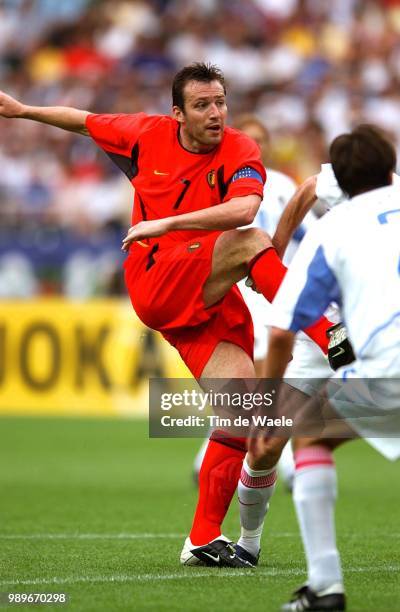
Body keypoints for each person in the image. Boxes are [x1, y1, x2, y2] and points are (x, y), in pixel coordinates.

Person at [0, 62, 333, 568]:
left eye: (220, 102)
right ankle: (332, 335)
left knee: (244, 413)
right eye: (202, 105)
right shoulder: (144, 135)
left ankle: (201, 540)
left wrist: (167, 221)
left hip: (203, 297)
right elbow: (82, 119)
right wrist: (23, 111)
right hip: (156, 279)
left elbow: (244, 207)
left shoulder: (242, 149)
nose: (216, 113)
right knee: (252, 244)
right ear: (177, 113)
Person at [249, 124, 400, 610]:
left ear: (343, 180)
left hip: (379, 359)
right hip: (351, 346)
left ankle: (324, 586)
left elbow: (280, 331)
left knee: (307, 431)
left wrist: (270, 409)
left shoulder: (332, 229)